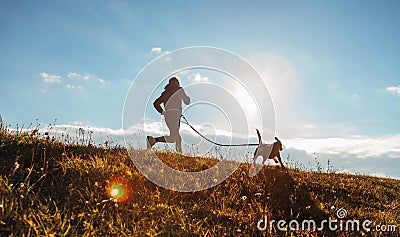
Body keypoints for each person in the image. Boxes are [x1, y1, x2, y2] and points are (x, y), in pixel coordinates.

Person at [147, 77, 190, 153]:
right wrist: (187, 98)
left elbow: (155, 103)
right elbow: (187, 101)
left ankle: (179, 154)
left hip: (168, 116)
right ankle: (153, 140)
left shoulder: (165, 93)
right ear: (177, 82)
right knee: (174, 138)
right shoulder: (179, 89)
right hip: (175, 115)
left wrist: (163, 112)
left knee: (176, 137)